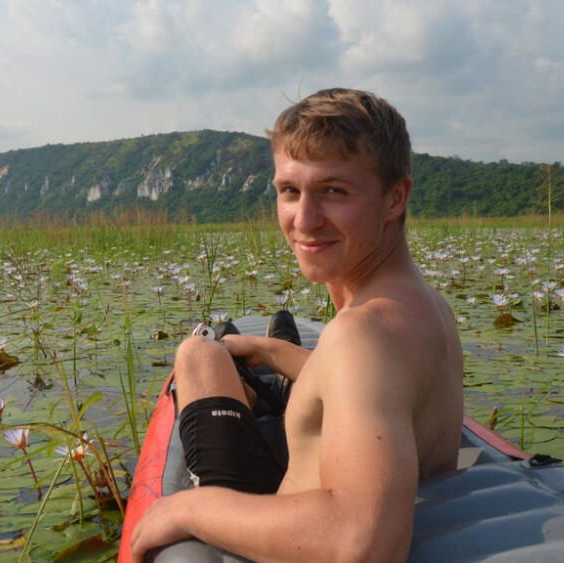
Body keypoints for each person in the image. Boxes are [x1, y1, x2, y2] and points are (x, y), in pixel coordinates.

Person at [130, 88, 464, 562]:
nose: (303, 220)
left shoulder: (363, 333)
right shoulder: (426, 306)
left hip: (284, 538)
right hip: (316, 501)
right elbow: (370, 388)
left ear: (395, 198)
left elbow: (365, 543)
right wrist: (269, 352)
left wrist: (187, 510)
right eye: (289, 191)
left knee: (197, 353)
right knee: (224, 353)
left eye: (334, 191)